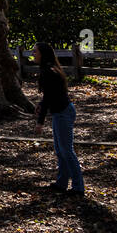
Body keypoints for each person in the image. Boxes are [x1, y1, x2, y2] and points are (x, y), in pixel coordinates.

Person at [34, 41, 83, 197]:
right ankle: (62, 183)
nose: (33, 54)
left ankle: (78, 187)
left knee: (67, 151)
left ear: (43, 54)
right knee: (60, 150)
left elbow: (49, 97)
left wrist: (40, 122)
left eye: (35, 51)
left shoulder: (49, 71)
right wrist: (41, 104)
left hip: (63, 112)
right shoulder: (48, 69)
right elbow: (50, 95)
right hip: (59, 112)